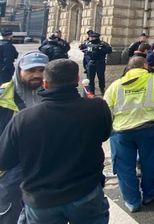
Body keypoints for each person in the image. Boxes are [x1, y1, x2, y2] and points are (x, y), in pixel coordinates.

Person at [0, 59, 112, 224]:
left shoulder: (24, 118)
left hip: (41, 198)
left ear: (45, 83)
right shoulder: (97, 107)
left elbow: (4, 160)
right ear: (77, 79)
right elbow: (104, 135)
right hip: (85, 191)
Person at [103, 56, 154, 212]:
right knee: (149, 163)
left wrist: (111, 128)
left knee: (124, 167)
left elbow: (106, 111)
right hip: (148, 129)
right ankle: (149, 193)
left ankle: (132, 201)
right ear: (145, 66)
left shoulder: (115, 85)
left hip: (121, 132)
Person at [0, 51, 48, 224]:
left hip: (42, 163)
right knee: (8, 212)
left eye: (42, 70)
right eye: (31, 70)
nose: (37, 75)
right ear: (19, 70)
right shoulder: (3, 94)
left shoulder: (51, 93)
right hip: (10, 167)